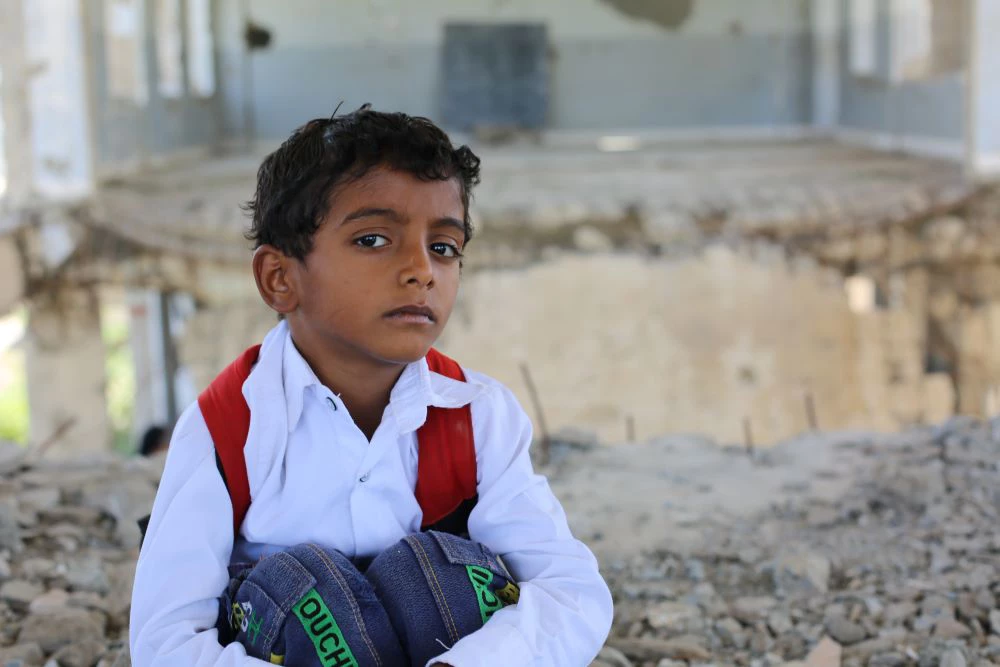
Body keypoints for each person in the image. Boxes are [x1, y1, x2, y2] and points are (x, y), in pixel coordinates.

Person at [129, 106, 613, 666]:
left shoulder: (476, 417)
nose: (421, 270)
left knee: (435, 582)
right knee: (303, 591)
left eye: (444, 247)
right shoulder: (225, 429)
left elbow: (571, 591)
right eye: (373, 239)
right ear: (280, 278)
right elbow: (165, 642)